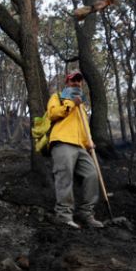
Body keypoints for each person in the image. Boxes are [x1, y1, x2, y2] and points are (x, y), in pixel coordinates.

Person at [46, 71, 104, 229]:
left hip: (81, 146)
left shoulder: (82, 106)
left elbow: (83, 128)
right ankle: (64, 216)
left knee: (91, 175)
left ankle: (86, 213)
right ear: (67, 82)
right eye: (73, 80)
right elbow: (52, 114)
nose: (77, 83)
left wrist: (89, 142)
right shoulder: (58, 97)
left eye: (79, 80)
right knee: (64, 177)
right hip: (62, 142)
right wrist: (71, 103)